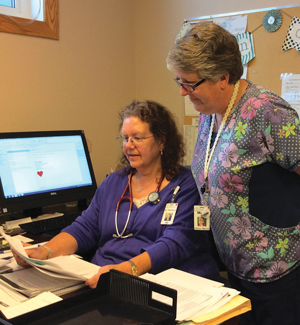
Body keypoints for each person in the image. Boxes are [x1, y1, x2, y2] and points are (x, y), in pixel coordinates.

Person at [166, 21, 300, 325]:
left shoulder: (267, 112)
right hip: (235, 264)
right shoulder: (209, 110)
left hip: (276, 268)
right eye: (179, 81)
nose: (184, 92)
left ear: (223, 77)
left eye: (190, 83)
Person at [13, 100, 220, 288]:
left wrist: (127, 269)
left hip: (158, 283)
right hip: (104, 279)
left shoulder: (185, 185)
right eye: (125, 138)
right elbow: (84, 228)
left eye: (137, 138)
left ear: (162, 142)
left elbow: (175, 243)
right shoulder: (115, 182)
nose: (129, 146)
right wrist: (44, 251)